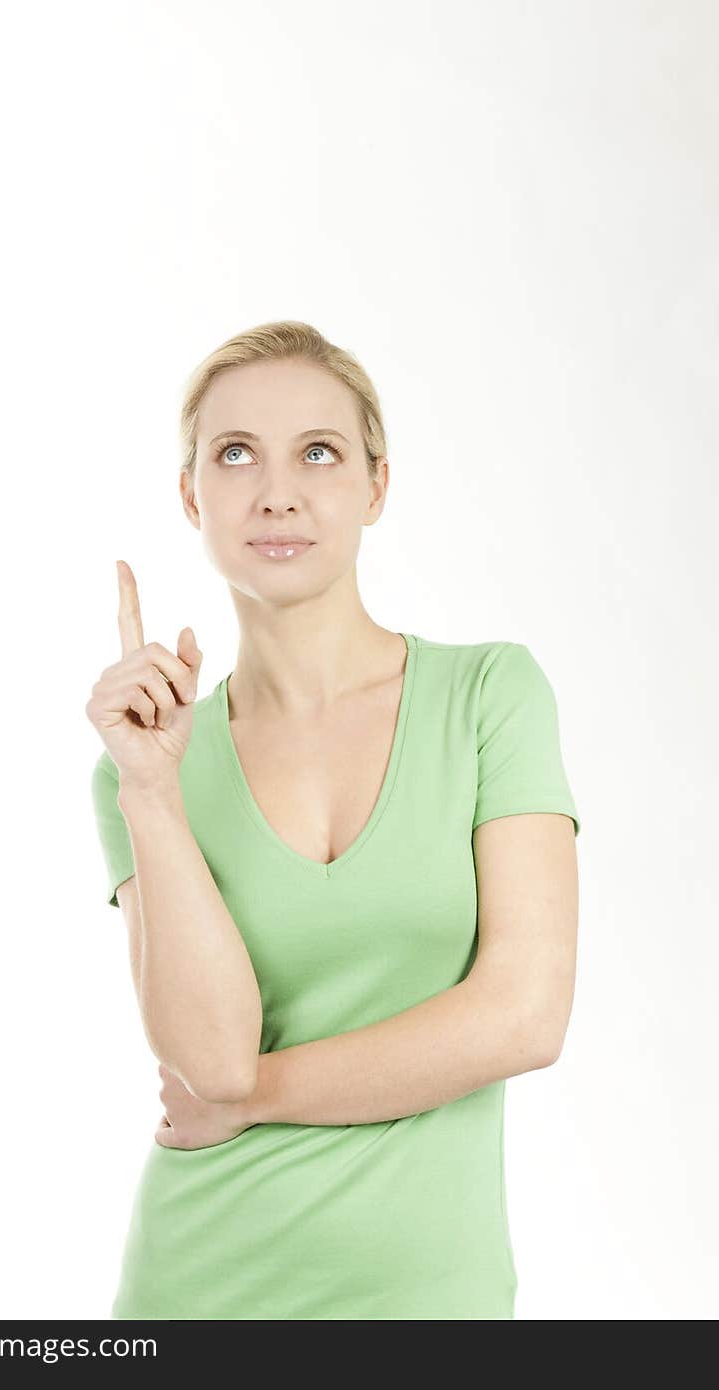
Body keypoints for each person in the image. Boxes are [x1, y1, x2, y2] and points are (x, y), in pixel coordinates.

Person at [86, 319, 581, 1321]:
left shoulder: (489, 694)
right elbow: (207, 1059)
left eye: (318, 451)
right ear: (193, 496)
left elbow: (525, 1015)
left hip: (433, 1302)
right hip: (197, 1288)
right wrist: (150, 788)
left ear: (375, 485)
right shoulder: (145, 764)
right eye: (235, 455)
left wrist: (255, 1096)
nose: (277, 491)